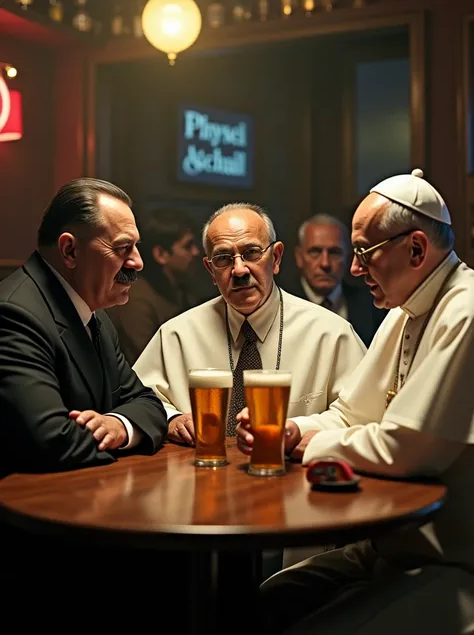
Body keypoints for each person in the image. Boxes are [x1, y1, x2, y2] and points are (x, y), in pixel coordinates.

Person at [237, 169, 474, 635]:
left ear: (415, 250)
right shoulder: (404, 310)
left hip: (455, 562)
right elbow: (351, 413)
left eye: (364, 252)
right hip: (392, 547)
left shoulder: (466, 310)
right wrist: (292, 430)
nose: (355, 268)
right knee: (263, 603)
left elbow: (407, 448)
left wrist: (305, 445)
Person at [134, 202, 366, 447]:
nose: (239, 270)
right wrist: (172, 418)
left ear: (275, 258)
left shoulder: (330, 333)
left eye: (252, 253)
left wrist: (298, 428)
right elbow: (138, 398)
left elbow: (358, 414)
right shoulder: (175, 335)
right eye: (223, 259)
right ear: (210, 270)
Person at [0, 177, 168, 477]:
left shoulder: (94, 313)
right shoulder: (14, 315)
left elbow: (148, 404)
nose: (138, 262)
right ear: (70, 251)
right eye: (123, 248)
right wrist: (122, 429)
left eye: (136, 247)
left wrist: (120, 425)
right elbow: (52, 442)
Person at [107, 207, 201, 364]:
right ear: (161, 254)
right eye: (187, 246)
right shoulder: (136, 299)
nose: (196, 252)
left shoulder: (181, 293)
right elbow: (149, 362)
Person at [283, 213, 385, 346]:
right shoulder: (282, 306)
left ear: (348, 257)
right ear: (299, 257)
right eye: (315, 252)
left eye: (334, 252)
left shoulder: (372, 305)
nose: (325, 263)